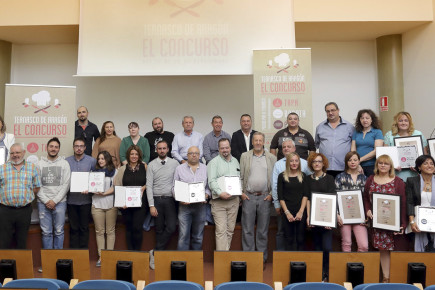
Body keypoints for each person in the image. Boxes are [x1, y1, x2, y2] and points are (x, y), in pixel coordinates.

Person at [363, 155, 407, 283]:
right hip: (378, 223)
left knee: (394, 249)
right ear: (377, 165)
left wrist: (403, 224)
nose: (383, 165)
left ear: (390, 166)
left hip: (394, 222)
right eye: (380, 163)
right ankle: (386, 278)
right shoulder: (371, 179)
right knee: (383, 249)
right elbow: (366, 198)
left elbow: (403, 203)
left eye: (386, 164)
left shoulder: (398, 181)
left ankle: (397, 279)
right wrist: (367, 210)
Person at [240, 132, 276, 264]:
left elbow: (274, 178)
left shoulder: (271, 157)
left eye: (260, 140)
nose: (258, 143)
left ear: (264, 142)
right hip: (248, 196)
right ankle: (249, 259)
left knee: (262, 231)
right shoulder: (245, 156)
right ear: (252, 142)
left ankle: (261, 260)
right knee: (247, 229)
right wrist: (241, 193)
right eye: (256, 140)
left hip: (264, 197)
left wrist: (272, 194)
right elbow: (241, 176)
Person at [272, 139, 312, 250]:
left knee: (300, 238)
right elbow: (280, 196)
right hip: (287, 212)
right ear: (288, 162)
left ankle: (300, 264)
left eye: (296, 161)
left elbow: (305, 195)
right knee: (288, 238)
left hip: (300, 211)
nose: (294, 163)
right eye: (291, 161)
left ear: (299, 162)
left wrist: (300, 212)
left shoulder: (303, 175)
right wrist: (287, 212)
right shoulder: (281, 176)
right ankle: (288, 264)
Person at [0, 143, 40, 249]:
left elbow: (37, 187)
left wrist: (25, 196)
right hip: (5, 211)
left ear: (23, 153)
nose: (15, 155)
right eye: (12, 153)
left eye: (17, 152)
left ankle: (20, 265)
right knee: (3, 241)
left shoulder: (32, 168)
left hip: (24, 210)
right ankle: (3, 265)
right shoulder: (2, 168)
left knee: (22, 241)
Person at [147, 140, 179, 268]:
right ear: (156, 150)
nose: (162, 150)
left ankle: (155, 251)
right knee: (159, 229)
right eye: (159, 148)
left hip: (170, 200)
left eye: (164, 148)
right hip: (156, 200)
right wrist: (151, 205)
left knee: (171, 227)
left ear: (168, 149)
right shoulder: (151, 165)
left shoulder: (175, 163)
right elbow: (149, 186)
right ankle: (157, 257)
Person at [173, 146, 210, 250]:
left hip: (200, 206)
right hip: (184, 207)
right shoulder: (179, 169)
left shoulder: (205, 168)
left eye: (196, 153)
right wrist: (180, 198)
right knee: (183, 235)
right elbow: (174, 187)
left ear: (199, 155)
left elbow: (208, 187)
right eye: (191, 153)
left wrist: (206, 195)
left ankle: (195, 261)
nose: (194, 155)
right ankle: (182, 262)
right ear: (187, 155)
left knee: (198, 236)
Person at [306, 152, 336, 281]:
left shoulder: (329, 179)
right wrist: (308, 216)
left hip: (326, 220)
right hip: (314, 218)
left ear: (323, 163)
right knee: (317, 247)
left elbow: (332, 198)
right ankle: (319, 274)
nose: (317, 163)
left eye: (319, 161)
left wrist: (329, 220)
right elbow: (307, 199)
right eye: (314, 162)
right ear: (311, 164)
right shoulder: (308, 179)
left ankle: (327, 273)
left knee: (327, 247)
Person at [37, 137, 71, 250]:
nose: (53, 149)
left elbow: (66, 184)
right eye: (51, 146)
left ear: (59, 149)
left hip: (60, 203)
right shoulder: (39, 164)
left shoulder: (64, 163)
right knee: (46, 233)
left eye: (56, 147)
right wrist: (47, 201)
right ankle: (47, 262)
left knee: (59, 231)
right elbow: (37, 185)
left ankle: (57, 261)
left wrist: (55, 201)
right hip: (43, 203)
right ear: (47, 147)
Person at [208, 138, 240, 250]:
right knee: (221, 231)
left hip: (233, 202)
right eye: (222, 148)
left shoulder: (235, 161)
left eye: (227, 147)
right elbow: (211, 181)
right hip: (219, 202)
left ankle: (224, 257)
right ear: (218, 149)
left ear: (230, 148)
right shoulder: (213, 163)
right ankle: (222, 260)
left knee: (230, 230)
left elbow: (238, 179)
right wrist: (220, 193)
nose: (225, 150)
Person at [114, 145, 148, 252]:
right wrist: (120, 202)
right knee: (128, 228)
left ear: (139, 155)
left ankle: (137, 253)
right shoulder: (122, 169)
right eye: (132, 154)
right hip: (126, 204)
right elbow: (117, 186)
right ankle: (130, 252)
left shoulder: (144, 166)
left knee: (137, 228)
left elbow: (150, 182)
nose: (134, 156)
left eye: (136, 154)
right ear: (128, 155)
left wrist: (144, 187)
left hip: (141, 204)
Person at [66, 137, 97, 249]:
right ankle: (74, 253)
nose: (79, 148)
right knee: (73, 228)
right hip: (71, 201)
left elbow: (96, 178)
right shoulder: (66, 161)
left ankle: (83, 253)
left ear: (85, 147)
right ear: (73, 147)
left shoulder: (92, 161)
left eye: (81, 146)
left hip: (86, 201)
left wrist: (90, 187)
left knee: (84, 228)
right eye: (76, 146)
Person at [335, 151, 368, 252]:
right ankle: (348, 267)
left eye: (355, 160)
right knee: (346, 243)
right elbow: (335, 196)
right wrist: (337, 214)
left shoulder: (365, 178)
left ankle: (359, 266)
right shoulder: (340, 177)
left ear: (359, 161)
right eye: (350, 160)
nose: (352, 162)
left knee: (364, 246)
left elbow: (367, 198)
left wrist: (366, 215)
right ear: (346, 162)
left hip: (360, 217)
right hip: (344, 216)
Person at [384, 111, 428, 181]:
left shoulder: (418, 134)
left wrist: (418, 165)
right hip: (395, 173)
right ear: (396, 123)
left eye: (406, 121)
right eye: (400, 121)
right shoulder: (389, 135)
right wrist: (393, 165)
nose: (403, 123)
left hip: (415, 173)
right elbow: (385, 155)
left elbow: (425, 155)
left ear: (409, 122)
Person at [91, 151, 117, 267]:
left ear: (107, 159)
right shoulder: (93, 172)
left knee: (110, 231)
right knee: (99, 232)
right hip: (97, 204)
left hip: (111, 204)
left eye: (103, 158)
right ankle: (101, 257)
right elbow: (90, 186)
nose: (100, 161)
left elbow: (115, 187)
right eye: (99, 158)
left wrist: (104, 193)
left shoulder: (114, 171)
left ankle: (109, 256)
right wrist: (89, 190)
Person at [315, 102, 354, 177]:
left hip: (344, 167)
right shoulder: (320, 127)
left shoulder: (349, 127)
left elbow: (354, 145)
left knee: (343, 189)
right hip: (325, 168)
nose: (330, 113)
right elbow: (317, 144)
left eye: (333, 110)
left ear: (338, 110)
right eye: (328, 111)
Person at [406, 155, 435, 252]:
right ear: (419, 167)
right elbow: (409, 202)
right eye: (425, 163)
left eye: (431, 163)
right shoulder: (412, 181)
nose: (429, 166)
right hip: (417, 224)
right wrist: (412, 222)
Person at [351, 109, 383, 177]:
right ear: (359, 120)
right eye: (362, 118)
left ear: (372, 120)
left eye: (367, 118)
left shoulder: (377, 132)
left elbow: (376, 151)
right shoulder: (356, 132)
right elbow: (353, 151)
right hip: (357, 166)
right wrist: (357, 164)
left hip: (372, 166)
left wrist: (359, 160)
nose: (365, 120)